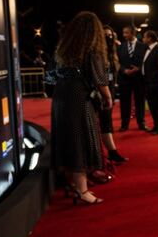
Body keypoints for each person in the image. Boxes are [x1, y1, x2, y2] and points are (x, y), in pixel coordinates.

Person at [50, 11, 113, 205]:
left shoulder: (65, 48)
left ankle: (75, 185)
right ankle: (82, 191)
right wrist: (108, 98)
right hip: (78, 96)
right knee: (81, 140)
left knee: (68, 139)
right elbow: (100, 80)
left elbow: (52, 73)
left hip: (61, 96)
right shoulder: (91, 50)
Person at [99, 26, 127, 163]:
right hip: (100, 91)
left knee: (106, 121)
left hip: (110, 88)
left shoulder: (113, 52)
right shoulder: (97, 52)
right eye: (105, 35)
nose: (108, 38)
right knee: (104, 121)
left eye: (110, 35)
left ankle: (111, 152)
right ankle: (111, 152)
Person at [116, 25, 148, 131]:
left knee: (140, 102)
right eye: (123, 33)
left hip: (139, 79)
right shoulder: (120, 47)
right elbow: (117, 62)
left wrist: (138, 69)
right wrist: (124, 70)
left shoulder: (143, 46)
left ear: (133, 33)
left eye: (126, 33)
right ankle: (124, 124)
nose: (124, 35)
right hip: (124, 79)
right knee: (124, 102)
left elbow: (146, 61)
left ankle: (141, 123)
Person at [141, 31, 158, 135]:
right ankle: (156, 126)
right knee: (153, 107)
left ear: (150, 38)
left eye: (144, 37)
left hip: (156, 85)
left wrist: (153, 81)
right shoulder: (147, 49)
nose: (143, 39)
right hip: (148, 84)